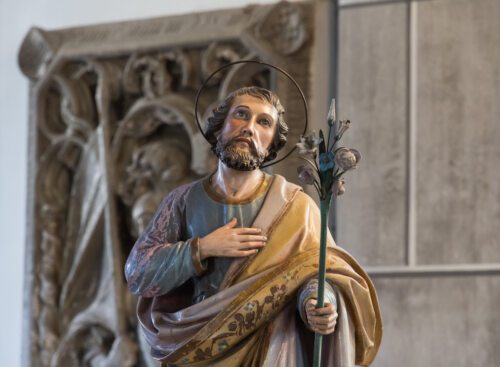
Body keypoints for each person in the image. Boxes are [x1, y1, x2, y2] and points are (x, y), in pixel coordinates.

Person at [125, 87, 382, 366]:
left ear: (272, 142)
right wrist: (202, 248)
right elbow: (138, 272)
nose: (249, 128)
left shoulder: (297, 206)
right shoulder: (182, 201)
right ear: (219, 126)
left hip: (272, 347)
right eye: (241, 115)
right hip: (197, 347)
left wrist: (317, 303)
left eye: (263, 122)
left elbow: (320, 272)